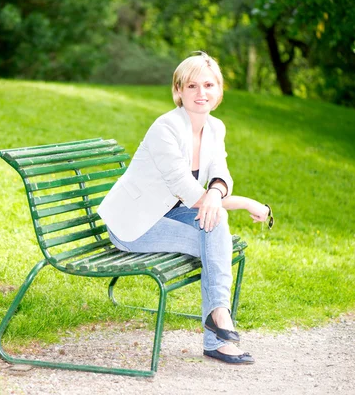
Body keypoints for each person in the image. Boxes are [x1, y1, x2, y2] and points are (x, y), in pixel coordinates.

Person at [97, 51, 272, 365]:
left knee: (214, 224)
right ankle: (219, 325)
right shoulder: (165, 129)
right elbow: (189, 192)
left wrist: (219, 195)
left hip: (171, 213)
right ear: (178, 91)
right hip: (135, 226)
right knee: (214, 241)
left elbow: (221, 174)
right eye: (192, 86)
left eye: (208, 85)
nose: (201, 93)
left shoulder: (215, 128)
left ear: (218, 92)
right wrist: (244, 203)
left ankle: (217, 324)